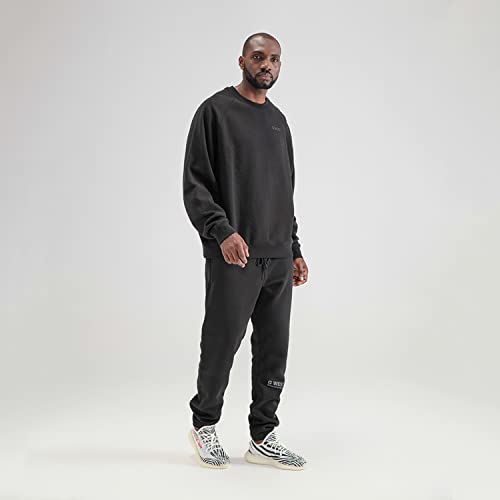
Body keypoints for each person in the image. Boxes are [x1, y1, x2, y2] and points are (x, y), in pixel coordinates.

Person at [183, 32, 309, 471]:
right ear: (241, 61)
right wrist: (222, 232)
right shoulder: (215, 112)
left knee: (274, 349)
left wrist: (294, 248)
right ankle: (204, 424)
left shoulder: (278, 122)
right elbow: (196, 185)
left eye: (274, 59)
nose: (266, 65)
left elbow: (284, 192)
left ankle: (263, 435)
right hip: (234, 254)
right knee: (221, 343)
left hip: (278, 257)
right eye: (258, 57)